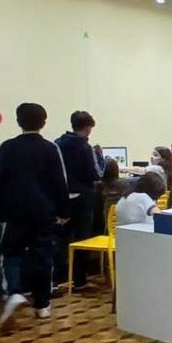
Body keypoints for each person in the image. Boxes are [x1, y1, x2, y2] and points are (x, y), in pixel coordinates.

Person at [0, 102, 70, 330]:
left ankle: (15, 291)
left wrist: (0, 212)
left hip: (15, 211)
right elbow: (60, 182)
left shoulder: (7, 147)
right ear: (44, 123)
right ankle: (42, 305)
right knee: (43, 256)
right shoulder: (50, 148)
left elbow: (0, 183)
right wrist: (63, 212)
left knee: (11, 252)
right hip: (43, 211)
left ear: (18, 121)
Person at [55, 111, 101, 287]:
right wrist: (99, 157)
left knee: (60, 240)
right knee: (82, 239)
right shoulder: (85, 147)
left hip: (61, 197)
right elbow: (95, 174)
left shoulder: (57, 144)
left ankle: (58, 279)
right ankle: (80, 279)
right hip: (83, 197)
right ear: (88, 128)